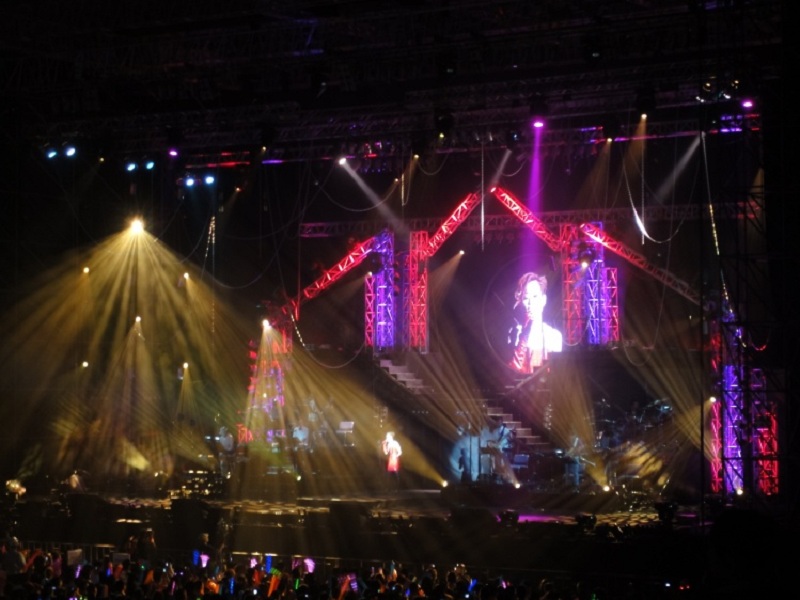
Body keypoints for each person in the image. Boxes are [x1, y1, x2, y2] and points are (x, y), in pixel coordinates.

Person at [508, 271, 563, 373]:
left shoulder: (554, 336)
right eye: (526, 298)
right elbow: (512, 370)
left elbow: (557, 373)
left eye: (535, 296)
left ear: (543, 300)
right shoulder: (514, 333)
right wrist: (524, 334)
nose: (530, 303)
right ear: (521, 302)